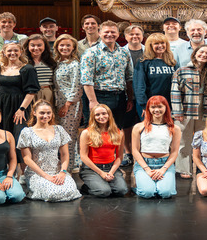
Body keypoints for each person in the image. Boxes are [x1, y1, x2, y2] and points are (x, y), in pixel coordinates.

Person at [0, 42, 39, 171]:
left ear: (21, 52)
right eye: (9, 51)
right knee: (3, 137)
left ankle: (24, 173)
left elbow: (31, 92)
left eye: (15, 51)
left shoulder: (27, 68)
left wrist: (22, 109)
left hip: (20, 107)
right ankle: (6, 170)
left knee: (20, 138)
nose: (12, 53)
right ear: (4, 53)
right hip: (2, 106)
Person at [171, 44, 207, 179]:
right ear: (195, 53)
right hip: (186, 110)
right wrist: (177, 111)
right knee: (183, 141)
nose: (204, 55)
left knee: (205, 141)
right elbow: (175, 92)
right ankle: (184, 169)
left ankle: (203, 169)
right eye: (201, 52)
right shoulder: (182, 70)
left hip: (206, 111)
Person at [18, 100, 81, 202]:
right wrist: (46, 176)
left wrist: (63, 172)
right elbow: (27, 159)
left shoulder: (59, 129)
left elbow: (65, 154)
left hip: (57, 171)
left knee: (70, 190)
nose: (45, 116)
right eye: (42, 113)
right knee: (52, 193)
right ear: (34, 113)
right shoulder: (27, 132)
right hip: (37, 173)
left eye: (48, 113)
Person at [80, 20, 134, 128]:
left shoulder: (124, 52)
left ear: (118, 34)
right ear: (100, 33)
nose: (110, 34)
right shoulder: (91, 52)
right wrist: (93, 101)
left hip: (120, 97)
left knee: (118, 130)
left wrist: (130, 98)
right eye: (106, 32)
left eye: (113, 32)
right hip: (100, 96)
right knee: (98, 131)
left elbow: (129, 77)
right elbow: (86, 80)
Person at [131, 96, 181, 198]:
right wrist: (147, 169)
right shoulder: (138, 127)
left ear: (166, 108)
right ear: (148, 109)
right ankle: (143, 185)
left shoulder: (174, 128)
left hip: (164, 164)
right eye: (153, 107)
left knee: (166, 193)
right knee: (147, 193)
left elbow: (175, 152)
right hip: (144, 164)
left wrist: (163, 169)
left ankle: (156, 185)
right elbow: (135, 150)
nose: (156, 110)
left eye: (160, 107)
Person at [79, 104, 129, 197]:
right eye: (97, 115)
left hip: (110, 167)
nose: (101, 117)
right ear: (93, 117)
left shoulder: (118, 133)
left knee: (121, 190)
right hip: (91, 169)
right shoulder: (86, 133)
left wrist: (111, 172)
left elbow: (119, 157)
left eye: (104, 114)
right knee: (104, 192)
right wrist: (101, 173)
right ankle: (88, 187)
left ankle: (103, 183)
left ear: (109, 115)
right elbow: (83, 156)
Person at [53, 34, 83, 172]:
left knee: (68, 136)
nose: (64, 48)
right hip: (57, 102)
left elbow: (76, 86)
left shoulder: (75, 64)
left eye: (68, 45)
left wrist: (67, 104)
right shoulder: (57, 63)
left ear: (73, 48)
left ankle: (69, 168)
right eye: (62, 45)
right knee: (58, 136)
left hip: (70, 105)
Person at [133, 33, 177, 118]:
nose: (160, 46)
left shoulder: (172, 62)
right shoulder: (143, 62)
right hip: (150, 106)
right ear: (150, 46)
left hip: (169, 105)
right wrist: (144, 106)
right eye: (156, 43)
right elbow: (139, 86)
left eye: (162, 43)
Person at [121, 24, 145, 166]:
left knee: (145, 124)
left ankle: (143, 153)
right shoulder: (120, 52)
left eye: (138, 34)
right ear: (126, 37)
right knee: (127, 125)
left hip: (143, 94)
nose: (135, 37)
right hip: (126, 93)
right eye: (131, 34)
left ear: (142, 36)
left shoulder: (148, 51)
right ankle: (128, 153)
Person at [23, 34, 57, 106]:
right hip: (30, 94)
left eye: (39, 45)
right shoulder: (23, 62)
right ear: (28, 46)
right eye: (32, 45)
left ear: (44, 46)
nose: (36, 48)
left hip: (48, 92)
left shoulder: (51, 61)